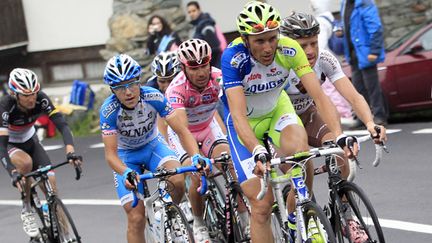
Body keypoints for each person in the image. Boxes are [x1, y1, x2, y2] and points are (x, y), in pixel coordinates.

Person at [220, 2, 358, 242]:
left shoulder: (289, 49)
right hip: (245, 125)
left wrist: (338, 135)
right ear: (245, 39)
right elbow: (239, 115)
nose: (268, 47)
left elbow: (319, 96)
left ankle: (303, 215)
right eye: (259, 41)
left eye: (272, 39)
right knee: (262, 205)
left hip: (276, 112)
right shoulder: (234, 58)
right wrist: (256, 149)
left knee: (301, 155)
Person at [280, 13, 387, 240]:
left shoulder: (324, 59)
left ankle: (346, 215)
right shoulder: (279, 64)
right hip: (282, 124)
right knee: (301, 176)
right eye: (302, 45)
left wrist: (370, 122)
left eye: (313, 43)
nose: (309, 51)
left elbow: (353, 96)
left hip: (308, 116)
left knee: (338, 154)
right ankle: (295, 226)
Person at [100, 54, 210, 243]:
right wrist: (125, 172)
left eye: (132, 84)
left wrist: (195, 157)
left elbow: (182, 131)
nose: (128, 92)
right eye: (120, 87)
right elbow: (110, 155)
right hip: (126, 157)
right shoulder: (108, 111)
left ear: (139, 81)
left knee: (177, 179)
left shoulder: (154, 96)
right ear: (112, 89)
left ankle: (168, 212)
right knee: (136, 217)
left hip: (152, 146)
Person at [164, 38, 247, 242]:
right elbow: (182, 129)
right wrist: (196, 157)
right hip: (183, 132)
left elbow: (237, 107)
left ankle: (245, 218)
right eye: (194, 68)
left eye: (204, 65)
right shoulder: (175, 89)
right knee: (195, 172)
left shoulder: (218, 77)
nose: (201, 73)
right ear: (183, 68)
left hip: (208, 127)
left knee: (230, 163)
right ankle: (199, 222)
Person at [0, 68, 82, 240]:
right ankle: (27, 209)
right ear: (15, 94)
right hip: (10, 144)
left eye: (34, 93)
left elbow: (62, 125)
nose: (32, 98)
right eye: (26, 95)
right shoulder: (5, 106)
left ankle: (65, 237)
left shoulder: (41, 98)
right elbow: (2, 145)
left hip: (31, 140)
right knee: (25, 163)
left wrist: (70, 150)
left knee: (52, 188)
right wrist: (13, 173)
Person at [341, 0, 388, 126]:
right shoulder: (344, 3)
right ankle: (363, 118)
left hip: (366, 52)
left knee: (372, 87)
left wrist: (375, 51)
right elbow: (347, 24)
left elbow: (375, 27)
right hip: (353, 53)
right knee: (358, 88)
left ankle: (380, 116)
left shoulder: (365, 2)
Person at [186, 1, 224, 68]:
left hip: (215, 64)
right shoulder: (197, 25)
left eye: (193, 11)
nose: (191, 14)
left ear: (199, 10)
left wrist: (209, 66)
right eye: (189, 12)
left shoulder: (205, 24)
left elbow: (215, 48)